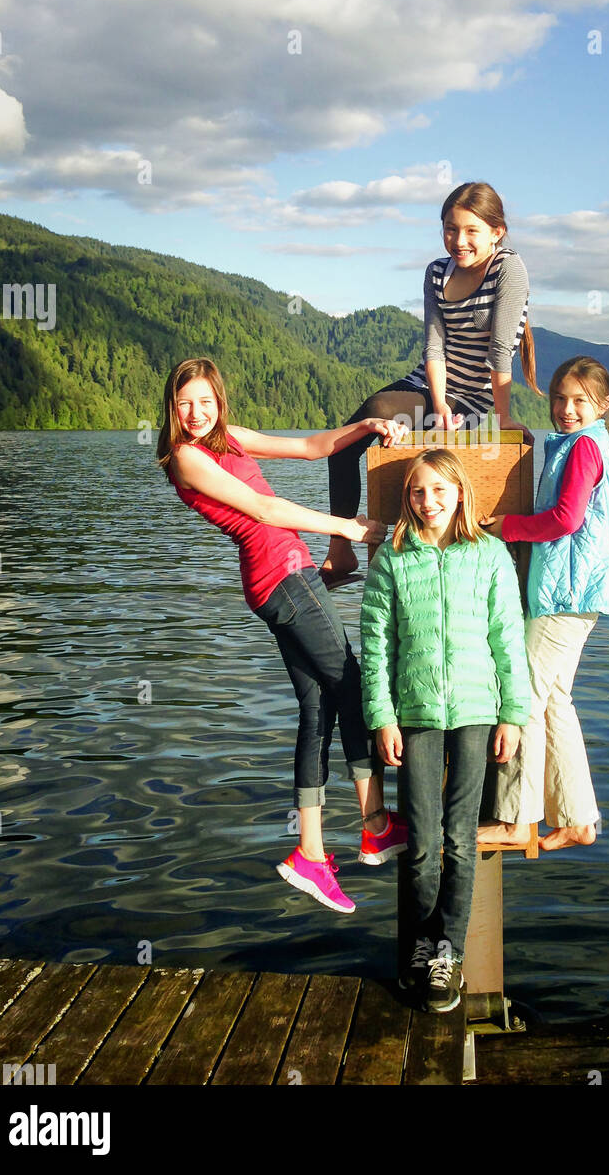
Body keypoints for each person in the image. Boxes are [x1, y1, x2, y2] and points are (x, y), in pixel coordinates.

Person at [156, 357, 411, 915]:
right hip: (282, 578)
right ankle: (374, 826)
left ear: (218, 401)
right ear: (171, 409)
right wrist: (346, 527)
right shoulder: (186, 458)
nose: (196, 413)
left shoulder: (229, 439)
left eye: (204, 401)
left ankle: (312, 854)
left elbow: (312, 447)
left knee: (318, 707)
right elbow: (265, 508)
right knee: (351, 686)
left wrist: (367, 428)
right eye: (184, 403)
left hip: (282, 578)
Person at [360, 449, 530, 1012]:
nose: (427, 502)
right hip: (416, 715)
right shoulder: (393, 557)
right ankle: (414, 950)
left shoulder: (490, 555)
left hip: (478, 713)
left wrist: (513, 714)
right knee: (421, 844)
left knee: (461, 841)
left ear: (460, 494)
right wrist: (382, 716)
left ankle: (448, 955)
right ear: (407, 500)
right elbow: (377, 646)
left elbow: (508, 639)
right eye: (416, 492)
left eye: (438, 490)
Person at [320, 180, 543, 588]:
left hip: (475, 396)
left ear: (497, 232)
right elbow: (434, 346)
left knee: (399, 435)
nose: (459, 241)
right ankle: (341, 549)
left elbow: (499, 351)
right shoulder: (437, 272)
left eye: (471, 231)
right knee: (347, 442)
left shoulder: (508, 268)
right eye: (450, 229)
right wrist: (438, 407)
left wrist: (504, 417)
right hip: (431, 386)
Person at [477, 357, 609, 852]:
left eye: (579, 401)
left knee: (523, 697)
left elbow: (565, 519)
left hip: (566, 594)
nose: (565, 409)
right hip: (577, 594)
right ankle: (580, 819)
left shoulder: (584, 446)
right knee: (556, 699)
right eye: (559, 398)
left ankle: (519, 822)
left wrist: (508, 528)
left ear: (602, 406)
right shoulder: (583, 443)